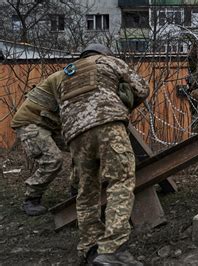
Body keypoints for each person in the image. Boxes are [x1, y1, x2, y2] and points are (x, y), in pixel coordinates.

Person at [53, 43, 149, 265]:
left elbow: (61, 108)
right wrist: (125, 104)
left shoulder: (66, 73)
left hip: (75, 134)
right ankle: (113, 249)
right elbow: (141, 88)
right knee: (120, 180)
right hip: (107, 124)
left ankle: (90, 249)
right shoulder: (108, 61)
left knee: (86, 190)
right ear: (103, 53)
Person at [11, 72, 78, 216]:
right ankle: (31, 199)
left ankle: (77, 189)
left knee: (82, 149)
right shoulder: (68, 76)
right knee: (52, 160)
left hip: (49, 124)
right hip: (31, 122)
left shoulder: (78, 76)